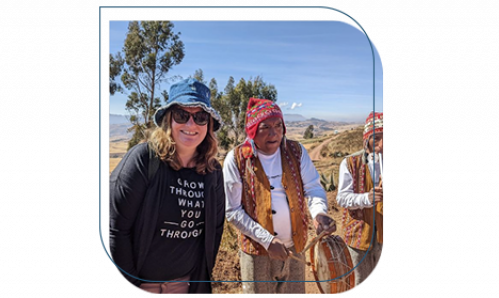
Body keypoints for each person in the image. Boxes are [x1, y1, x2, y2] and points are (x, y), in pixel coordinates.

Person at [108, 78, 226, 294]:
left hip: (186, 286)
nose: (191, 125)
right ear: (168, 120)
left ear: (208, 125)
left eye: (200, 117)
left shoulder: (213, 172)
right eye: (182, 115)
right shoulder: (144, 160)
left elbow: (214, 232)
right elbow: (115, 229)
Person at [223, 97, 337, 294]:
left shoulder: (296, 151)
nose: (273, 133)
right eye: (264, 127)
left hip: (296, 248)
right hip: (257, 253)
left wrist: (319, 213)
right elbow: (232, 210)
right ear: (252, 130)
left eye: (278, 125)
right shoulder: (237, 159)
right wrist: (267, 241)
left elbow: (313, 188)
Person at [336, 111, 385, 289]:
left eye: (386, 137)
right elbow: (341, 198)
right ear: (366, 139)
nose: (382, 144)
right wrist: (366, 198)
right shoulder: (350, 162)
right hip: (359, 237)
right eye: (376, 138)